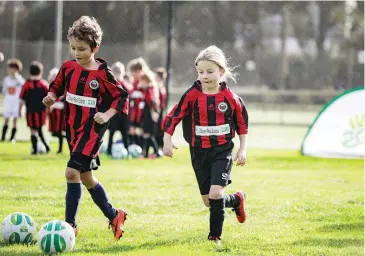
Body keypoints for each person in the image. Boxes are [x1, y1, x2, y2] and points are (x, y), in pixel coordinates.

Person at [42, 16, 129, 240]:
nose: (76, 53)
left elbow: (120, 97)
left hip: (92, 129)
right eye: (72, 48)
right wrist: (51, 95)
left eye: (81, 48)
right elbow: (57, 86)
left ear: (94, 47)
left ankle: (69, 226)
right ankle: (114, 215)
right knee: (86, 177)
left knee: (71, 172)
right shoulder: (68, 67)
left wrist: (106, 114)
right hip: (72, 127)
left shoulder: (102, 73)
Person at [162, 45, 248, 245]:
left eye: (210, 71)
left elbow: (242, 125)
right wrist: (167, 139)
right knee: (210, 201)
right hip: (198, 153)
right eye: (201, 71)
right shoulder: (191, 95)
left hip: (222, 151)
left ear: (221, 72)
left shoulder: (231, 99)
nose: (205, 76)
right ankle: (236, 200)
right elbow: (173, 116)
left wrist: (242, 149)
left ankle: (214, 238)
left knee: (216, 193)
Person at [19, 61, 50, 154]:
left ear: (29, 72)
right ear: (41, 72)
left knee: (33, 130)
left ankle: (35, 149)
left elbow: (21, 99)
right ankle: (45, 146)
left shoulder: (26, 85)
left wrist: (20, 110)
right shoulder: (44, 84)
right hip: (42, 112)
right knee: (40, 129)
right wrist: (49, 110)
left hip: (30, 111)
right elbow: (49, 99)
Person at [107, 61, 132, 155]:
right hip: (115, 112)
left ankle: (127, 150)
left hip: (122, 113)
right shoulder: (112, 84)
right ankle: (109, 150)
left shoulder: (124, 85)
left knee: (123, 133)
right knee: (112, 132)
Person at [1, 58, 25, 143]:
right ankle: (3, 137)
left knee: (15, 120)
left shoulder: (20, 80)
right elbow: (4, 91)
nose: (9, 70)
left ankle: (12, 138)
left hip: (16, 102)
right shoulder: (6, 79)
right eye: (9, 68)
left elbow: (22, 92)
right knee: (6, 119)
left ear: (16, 69)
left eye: (11, 68)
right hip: (8, 101)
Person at [139, 70, 161, 158]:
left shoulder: (150, 89)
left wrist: (153, 113)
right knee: (147, 135)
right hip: (146, 113)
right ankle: (147, 154)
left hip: (148, 114)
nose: (141, 82)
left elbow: (151, 102)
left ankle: (156, 152)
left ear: (146, 81)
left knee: (148, 135)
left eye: (142, 80)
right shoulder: (147, 89)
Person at [47, 67, 65, 154]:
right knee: (54, 132)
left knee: (59, 131)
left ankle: (60, 149)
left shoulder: (63, 86)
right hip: (53, 112)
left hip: (61, 112)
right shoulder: (50, 88)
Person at [153, 67, 167, 150]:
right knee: (158, 129)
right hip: (159, 110)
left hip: (159, 111)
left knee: (158, 129)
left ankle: (159, 148)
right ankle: (159, 147)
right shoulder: (160, 86)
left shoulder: (159, 87)